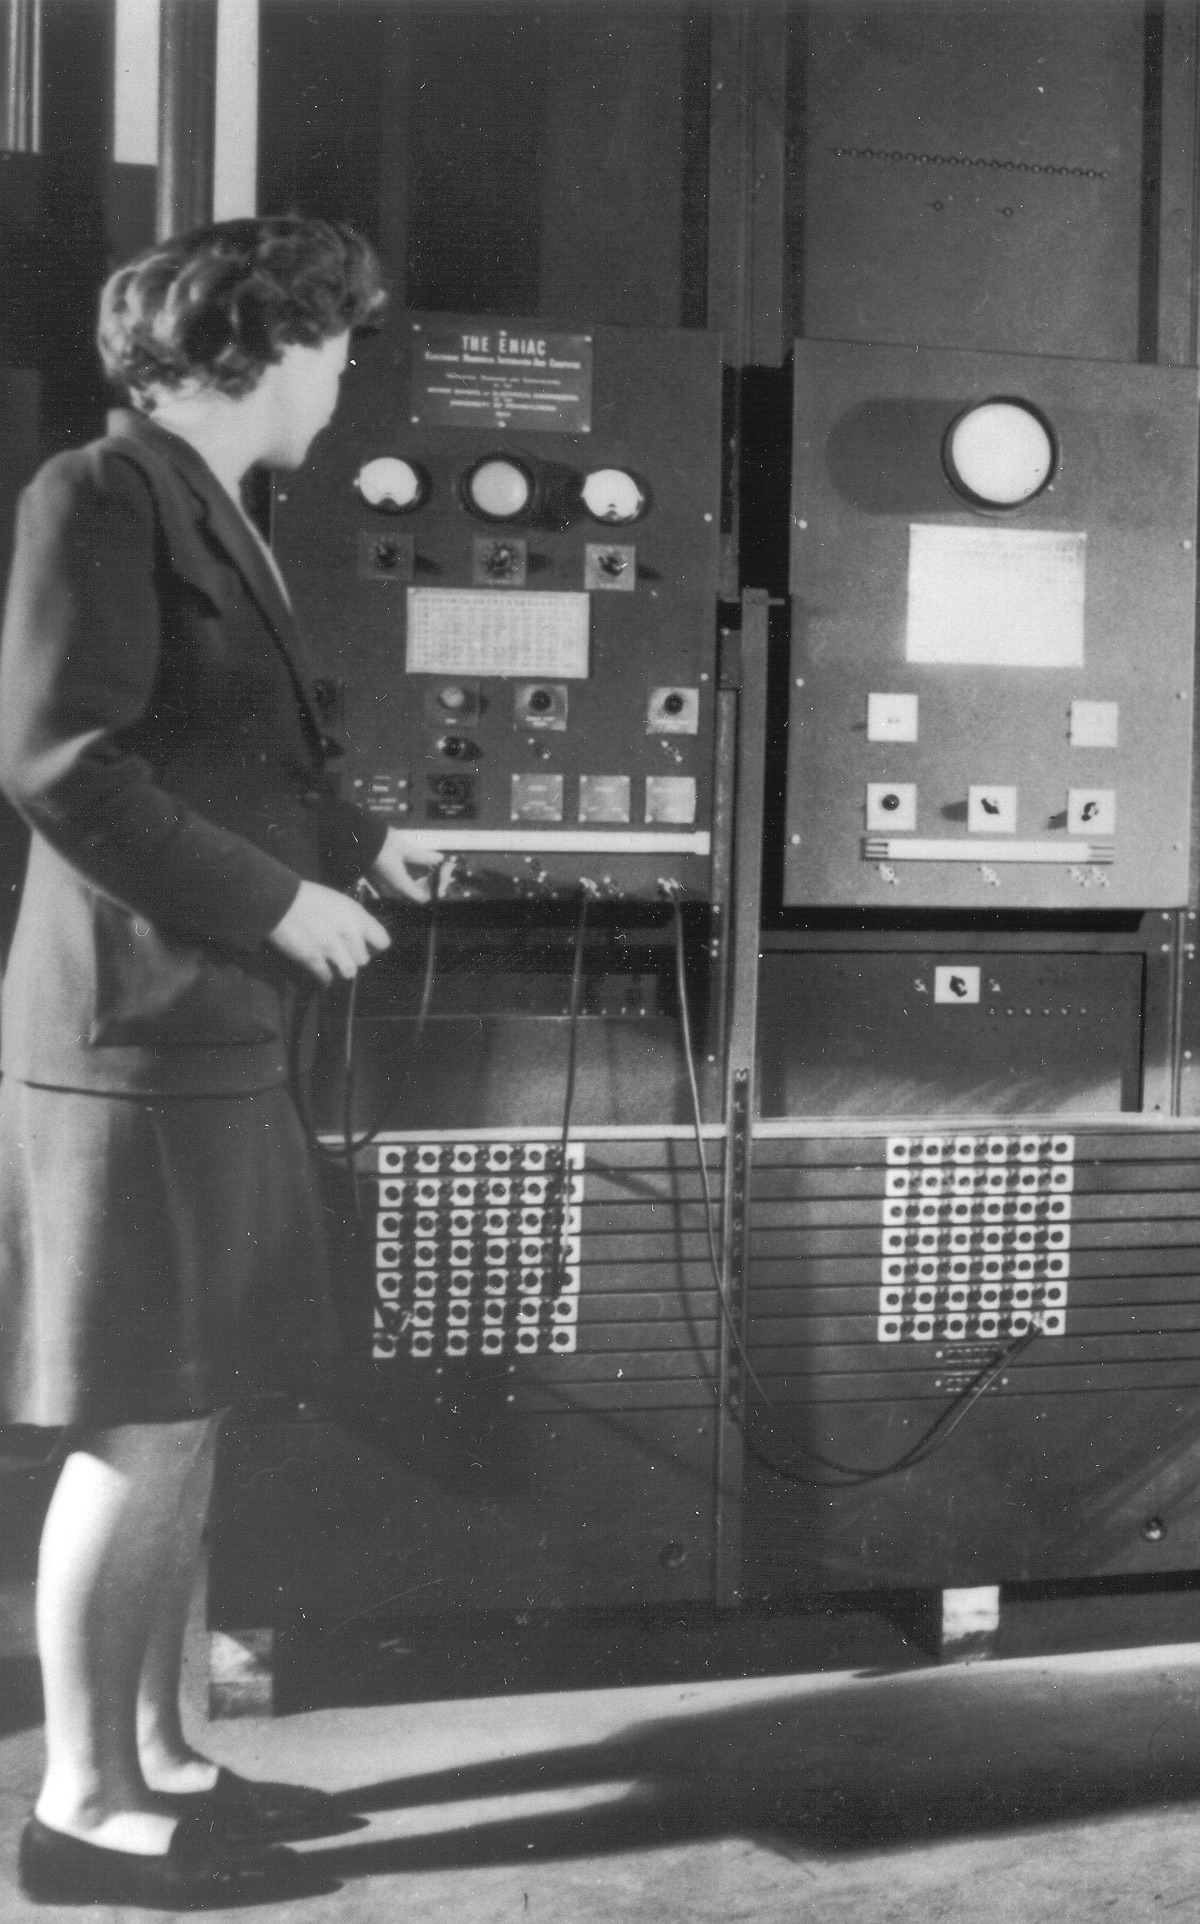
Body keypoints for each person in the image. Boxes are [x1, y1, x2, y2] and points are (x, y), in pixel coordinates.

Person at [0, 216, 440, 1907]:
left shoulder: (210, 512)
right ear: (260, 348)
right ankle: (81, 1813)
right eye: (338, 350)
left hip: (206, 1026)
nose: (346, 381)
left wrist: (361, 843)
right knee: (140, 1425)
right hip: (134, 1032)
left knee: (187, 1416)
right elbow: (61, 763)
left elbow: (226, 742)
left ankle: (162, 1754)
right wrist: (280, 900)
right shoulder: (96, 498)